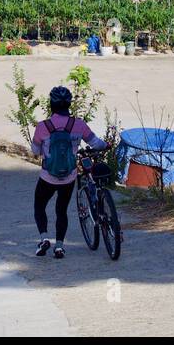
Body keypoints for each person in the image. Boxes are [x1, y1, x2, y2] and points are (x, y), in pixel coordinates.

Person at [30, 85, 107, 259]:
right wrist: (106, 145)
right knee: (61, 210)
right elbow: (96, 143)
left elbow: (35, 151)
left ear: (51, 104)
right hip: (69, 177)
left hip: (47, 177)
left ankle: (43, 238)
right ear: (69, 104)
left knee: (39, 206)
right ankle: (59, 247)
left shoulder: (43, 126)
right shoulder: (78, 124)